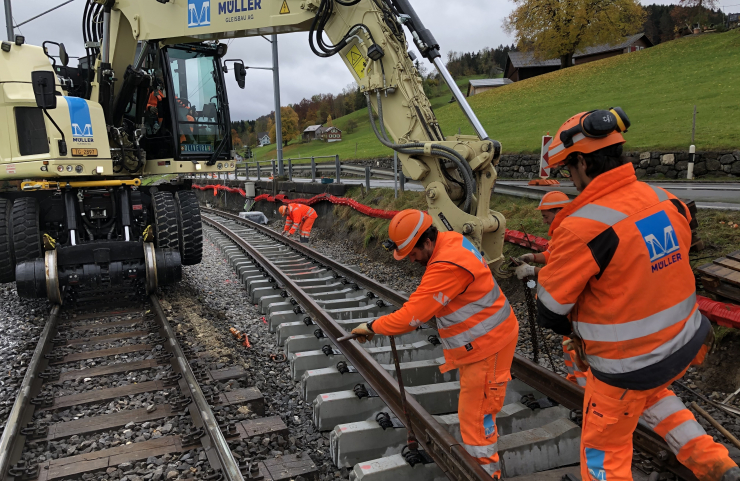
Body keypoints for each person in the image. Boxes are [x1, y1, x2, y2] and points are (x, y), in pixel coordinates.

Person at [536, 108, 739, 481]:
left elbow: (549, 311)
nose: (570, 178)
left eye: (568, 168)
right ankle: (716, 463)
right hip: (682, 342)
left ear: (581, 162)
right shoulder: (666, 200)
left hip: (626, 365)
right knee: (656, 397)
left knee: (604, 455)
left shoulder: (583, 226)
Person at [350, 210, 519, 478]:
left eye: (413, 253)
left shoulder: (446, 265)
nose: (412, 260)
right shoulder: (450, 240)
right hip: (482, 341)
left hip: (488, 344)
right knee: (475, 411)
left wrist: (372, 327)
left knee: (476, 419)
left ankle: (486, 474)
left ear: (427, 241)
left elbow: (411, 317)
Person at [514, 191, 588, 388]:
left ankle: (585, 395)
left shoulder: (572, 233)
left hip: (575, 306)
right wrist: (533, 257)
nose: (545, 222)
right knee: (569, 347)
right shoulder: (563, 231)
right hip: (567, 307)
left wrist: (531, 270)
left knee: (578, 350)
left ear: (559, 211)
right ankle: (573, 387)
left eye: (546, 217)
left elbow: (560, 272)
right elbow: (551, 254)